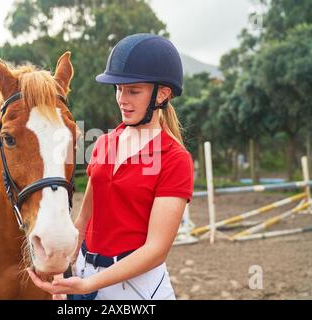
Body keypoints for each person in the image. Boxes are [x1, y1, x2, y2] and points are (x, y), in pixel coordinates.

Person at [28, 33, 194, 300]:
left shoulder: (175, 159)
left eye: (133, 91)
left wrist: (89, 285)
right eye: (118, 89)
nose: (122, 99)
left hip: (136, 289)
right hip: (83, 274)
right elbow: (84, 220)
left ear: (162, 94)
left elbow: (156, 250)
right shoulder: (104, 143)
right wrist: (63, 273)